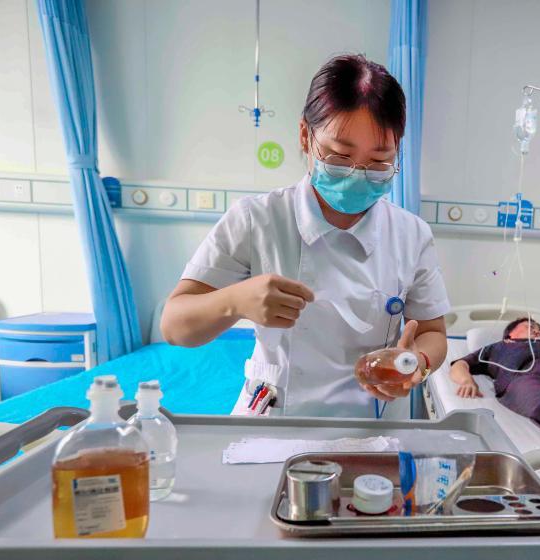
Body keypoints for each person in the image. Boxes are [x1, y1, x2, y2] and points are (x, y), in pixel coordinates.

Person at [160, 55, 450, 418]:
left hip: (372, 424)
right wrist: (234, 301)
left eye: (379, 162)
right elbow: (174, 325)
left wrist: (418, 361)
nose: (358, 174)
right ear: (305, 136)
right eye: (340, 157)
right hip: (276, 421)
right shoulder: (257, 219)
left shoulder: (410, 234)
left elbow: (433, 332)